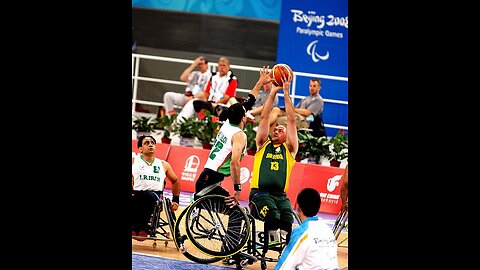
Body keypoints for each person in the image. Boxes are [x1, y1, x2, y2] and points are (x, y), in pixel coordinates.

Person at [249, 72, 298, 246]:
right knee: (274, 214)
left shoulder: (290, 149)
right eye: (275, 129)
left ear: (286, 136)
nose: (276, 130)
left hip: (280, 196)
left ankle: (282, 248)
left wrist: (286, 92)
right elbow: (264, 117)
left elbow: (292, 120)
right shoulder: (262, 144)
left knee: (286, 216)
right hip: (259, 194)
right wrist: (272, 93)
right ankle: (270, 245)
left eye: (280, 130)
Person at [274, 188, 339, 270]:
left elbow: (284, 265)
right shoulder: (328, 230)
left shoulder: (301, 232)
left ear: (298, 207)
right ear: (318, 207)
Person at [132, 135, 181, 239]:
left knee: (147, 195)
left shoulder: (163, 164)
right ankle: (140, 227)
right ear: (140, 149)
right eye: (146, 143)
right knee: (138, 196)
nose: (150, 144)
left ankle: (139, 227)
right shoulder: (134, 162)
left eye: (152, 143)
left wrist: (176, 200)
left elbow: (175, 180)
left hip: (155, 196)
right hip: (136, 194)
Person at [176, 56, 238, 122]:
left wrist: (215, 103)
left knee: (207, 106)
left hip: (222, 105)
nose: (222, 67)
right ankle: (179, 122)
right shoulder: (213, 77)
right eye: (220, 65)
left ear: (229, 67)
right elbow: (206, 94)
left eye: (224, 65)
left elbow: (227, 98)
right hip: (210, 103)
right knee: (193, 102)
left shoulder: (232, 80)